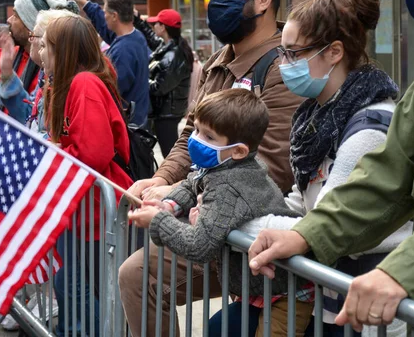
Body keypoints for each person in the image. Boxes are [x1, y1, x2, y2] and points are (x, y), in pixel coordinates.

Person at [248, 0, 414, 333]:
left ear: (334, 52)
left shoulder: (366, 121)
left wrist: (405, 270)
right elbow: (391, 173)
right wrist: (306, 234)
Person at [208, 0, 411, 337]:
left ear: (334, 52)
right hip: (333, 293)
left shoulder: (368, 128)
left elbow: (324, 223)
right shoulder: (316, 116)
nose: (283, 64)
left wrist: (225, 219)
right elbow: (299, 204)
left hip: (368, 304)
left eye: (292, 54)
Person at [121, 89, 304, 337]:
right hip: (255, 286)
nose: (195, 139)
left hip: (285, 294)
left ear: (239, 150)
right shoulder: (225, 165)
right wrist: (169, 205)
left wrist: (159, 221)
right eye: (196, 129)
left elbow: (199, 245)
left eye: (209, 136)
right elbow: (193, 182)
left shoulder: (229, 188)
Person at [128, 0, 302, 202]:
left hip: (246, 228)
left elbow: (273, 167)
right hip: (201, 211)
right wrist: (161, 179)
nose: (216, 1)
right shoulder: (217, 62)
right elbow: (190, 135)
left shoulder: (284, 69)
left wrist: (184, 192)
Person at [38, 15, 134, 336]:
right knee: (75, 286)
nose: (40, 52)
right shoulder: (69, 83)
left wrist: (51, 156)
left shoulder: (84, 83)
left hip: (98, 214)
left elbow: (94, 153)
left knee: (88, 290)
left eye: (46, 45)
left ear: (63, 51)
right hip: (85, 210)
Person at [66, 0, 150, 127]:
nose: (103, 15)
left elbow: (111, 90)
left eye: (105, 12)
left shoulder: (123, 51)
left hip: (127, 125)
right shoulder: (135, 37)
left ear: (114, 16)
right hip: (137, 120)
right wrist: (84, 3)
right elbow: (105, 28)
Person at [133, 9, 193, 157]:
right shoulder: (169, 46)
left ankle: (176, 179)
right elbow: (151, 37)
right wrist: (137, 20)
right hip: (166, 111)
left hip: (167, 114)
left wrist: (141, 77)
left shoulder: (173, 57)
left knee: (171, 154)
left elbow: (159, 88)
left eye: (156, 24)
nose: (154, 27)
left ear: (163, 27)